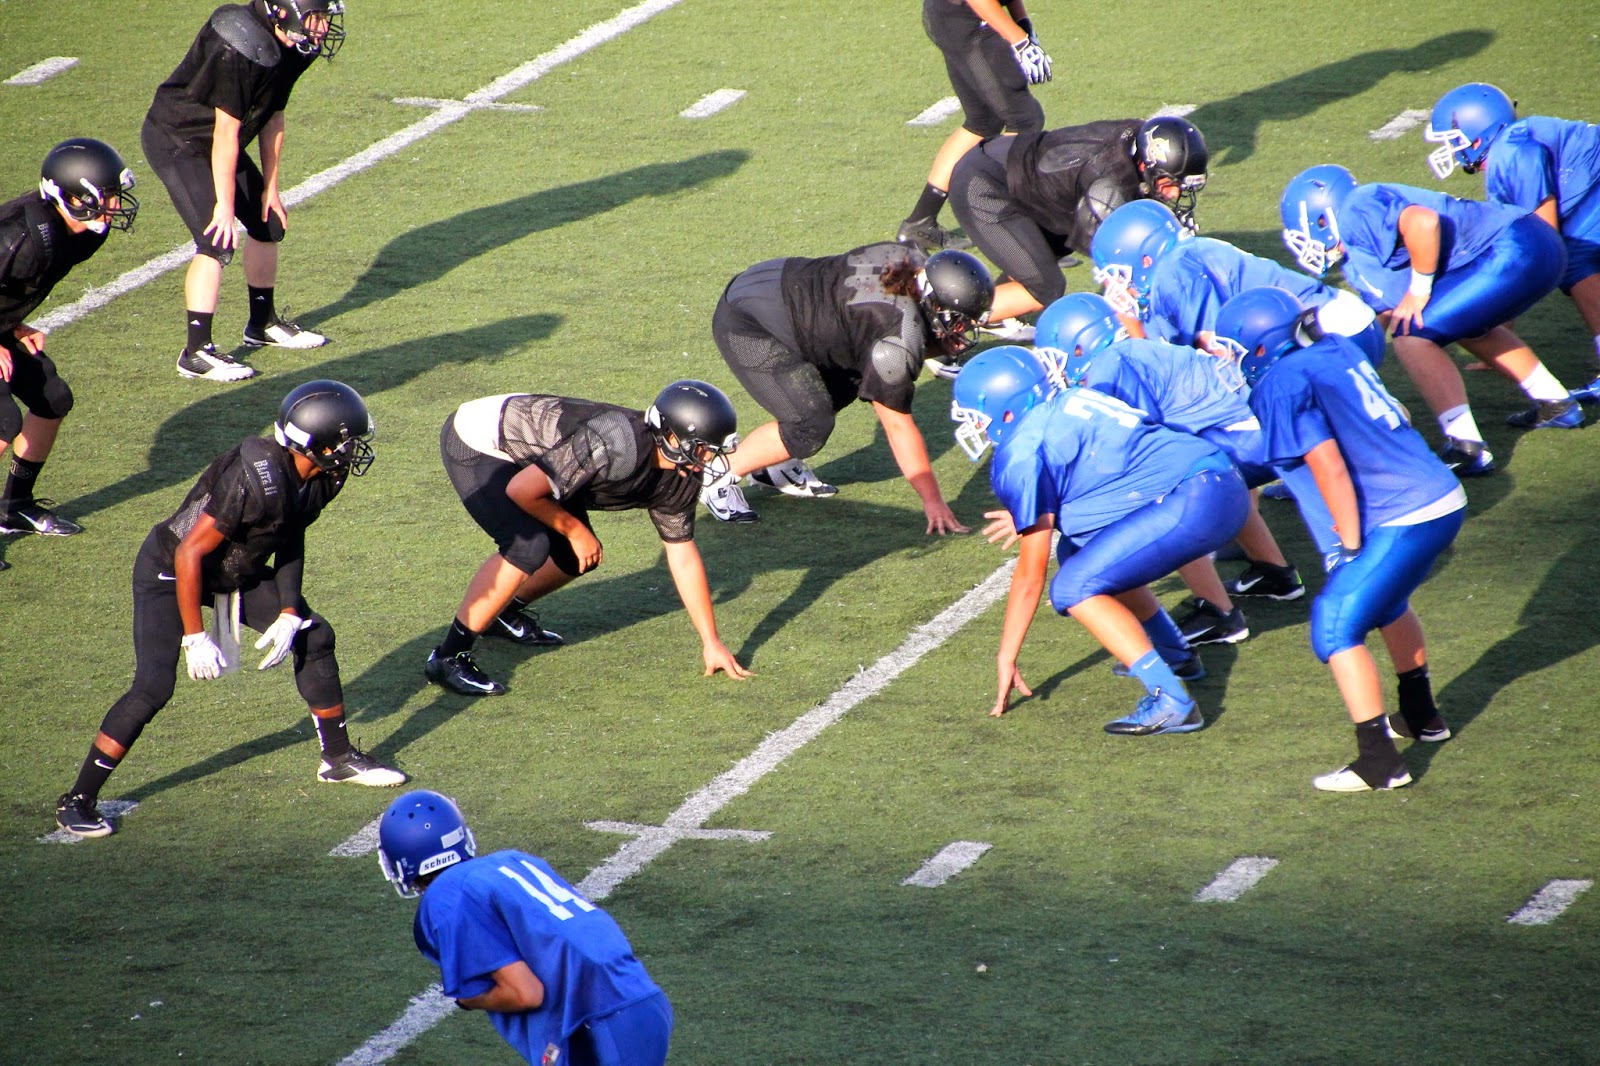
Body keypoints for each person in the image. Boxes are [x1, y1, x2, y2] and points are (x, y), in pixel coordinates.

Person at [52, 380, 403, 838]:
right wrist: (195, 636)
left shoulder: (321, 476)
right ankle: (78, 797)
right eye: (346, 441)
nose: (352, 450)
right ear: (313, 444)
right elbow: (189, 555)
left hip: (233, 570)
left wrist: (290, 609)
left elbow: (291, 532)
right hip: (172, 570)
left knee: (316, 636)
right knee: (153, 686)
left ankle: (337, 758)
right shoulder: (253, 478)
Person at [1215, 287, 1462, 792]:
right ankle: (1422, 716)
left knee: (1334, 626)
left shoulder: (1282, 381)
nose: (1228, 355)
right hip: (1435, 495)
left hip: (1402, 512)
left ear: (1260, 346)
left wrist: (1350, 546)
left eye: (1233, 345)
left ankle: (1380, 763)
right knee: (1388, 601)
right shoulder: (1335, 350)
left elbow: (1326, 465)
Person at [952, 345, 1249, 733]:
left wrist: (1006, 654)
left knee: (1073, 586)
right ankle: (1174, 653)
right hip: (1219, 482)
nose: (975, 427)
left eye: (978, 416)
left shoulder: (1021, 453)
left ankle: (1172, 701)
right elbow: (1106, 471)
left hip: (1195, 498)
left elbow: (1030, 575)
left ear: (1006, 411)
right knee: (1076, 547)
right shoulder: (1073, 398)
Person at [426, 381, 752, 697]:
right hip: (482, 440)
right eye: (702, 449)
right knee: (527, 546)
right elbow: (522, 490)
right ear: (670, 437)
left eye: (714, 450)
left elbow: (682, 557)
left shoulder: (680, 476)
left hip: (545, 457)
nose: (708, 460)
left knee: (572, 557)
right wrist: (575, 530)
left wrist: (711, 641)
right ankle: (447, 657)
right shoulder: (617, 443)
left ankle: (501, 611)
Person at [1033, 292, 1312, 648]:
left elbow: (1142, 458)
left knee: (1173, 488)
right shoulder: (1130, 353)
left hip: (1252, 437)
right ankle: (1274, 573)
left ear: (1077, 348)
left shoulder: (1109, 368)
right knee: (1193, 468)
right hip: (1262, 428)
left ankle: (1218, 613)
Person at [1280, 163, 1581, 477]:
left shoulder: (1356, 207)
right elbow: (1385, 315)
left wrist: (1420, 289)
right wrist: (1344, 360)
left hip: (1515, 245)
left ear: (1321, 218)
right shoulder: (1357, 262)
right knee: (1456, 326)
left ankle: (1466, 446)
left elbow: (1424, 223)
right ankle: (1557, 403)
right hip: (1530, 247)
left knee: (1412, 336)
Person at [702, 244, 990, 530]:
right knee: (810, 424)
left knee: (855, 375)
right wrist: (933, 501)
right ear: (933, 304)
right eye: (959, 320)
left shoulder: (909, 261)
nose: (962, 330)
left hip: (773, 280)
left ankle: (773, 465)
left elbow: (865, 327)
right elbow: (898, 427)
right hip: (749, 321)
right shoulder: (898, 338)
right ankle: (718, 473)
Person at [378, 790, 673, 1066]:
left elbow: (526, 993)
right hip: (636, 1000)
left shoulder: (446, 898)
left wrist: (470, 999)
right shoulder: (511, 860)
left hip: (597, 1022)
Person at [141, 0, 347, 383]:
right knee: (216, 239)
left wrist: (271, 188)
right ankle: (196, 351)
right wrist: (223, 205)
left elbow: (273, 114)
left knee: (267, 225)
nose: (321, 28)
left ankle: (262, 324)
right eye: (315, 18)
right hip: (179, 140)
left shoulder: (294, 44)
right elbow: (224, 134)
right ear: (284, 13)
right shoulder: (237, 42)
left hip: (222, 138)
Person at [0, 138, 138, 554]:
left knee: (52, 398)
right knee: (4, 420)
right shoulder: (22, 238)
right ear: (73, 198)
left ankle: (14, 506)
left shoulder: (85, 234)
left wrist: (14, 325)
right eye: (107, 197)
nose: (115, 207)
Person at [1426, 82, 1600, 401]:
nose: (1450, 149)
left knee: (1569, 259)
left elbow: (1543, 241)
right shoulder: (1507, 152)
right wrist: (1501, 338)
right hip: (1590, 194)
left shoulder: (1512, 151)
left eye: (1453, 139)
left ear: (1477, 134)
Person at [946, 115, 1209, 324]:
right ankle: (945, 324)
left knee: (1053, 249)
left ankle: (992, 307)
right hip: (985, 186)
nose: (1174, 193)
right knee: (1046, 287)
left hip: (1021, 177)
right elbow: (1113, 265)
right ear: (1145, 166)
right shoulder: (1109, 184)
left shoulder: (1137, 143)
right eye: (1168, 182)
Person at [898, 0, 1051, 254]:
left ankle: (920, 221)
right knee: (1025, 120)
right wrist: (1019, 41)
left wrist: (1023, 24)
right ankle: (1016, 231)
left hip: (949, 16)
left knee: (983, 121)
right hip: (968, 20)